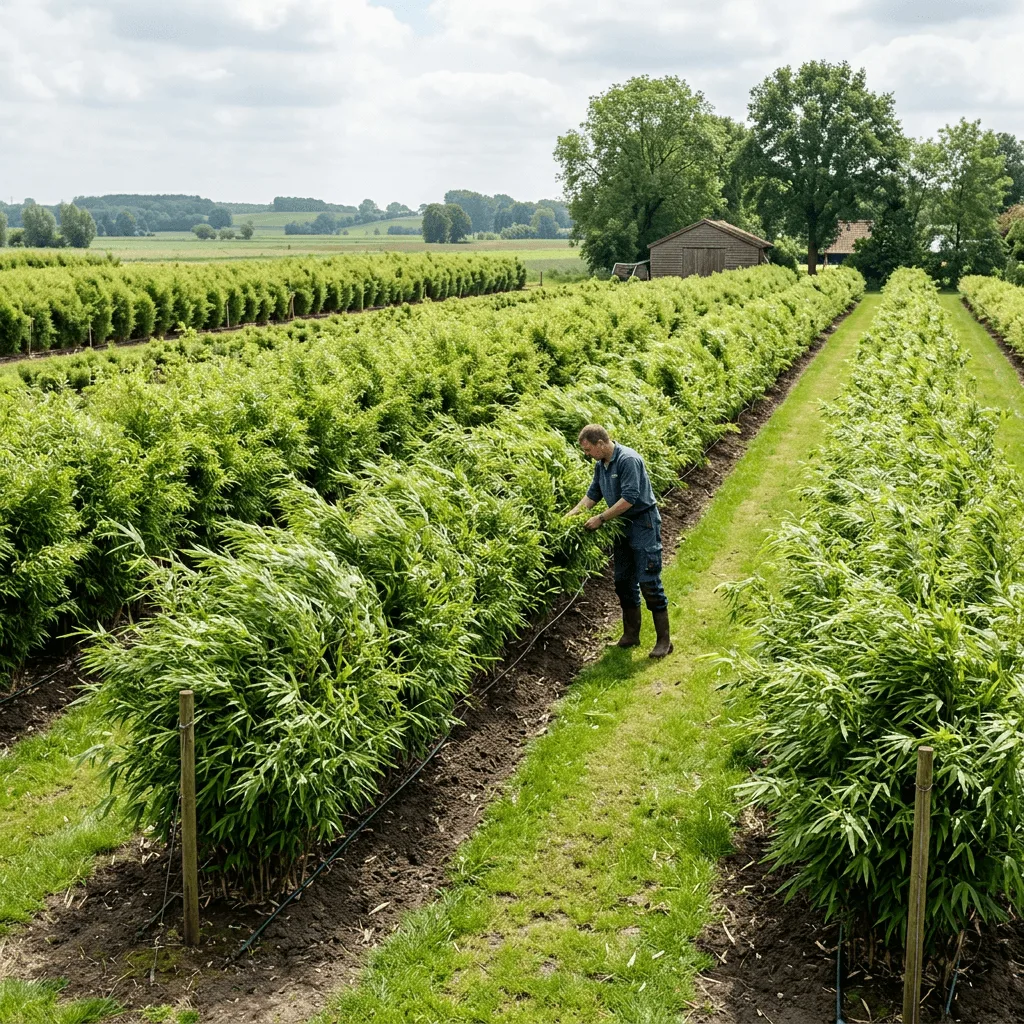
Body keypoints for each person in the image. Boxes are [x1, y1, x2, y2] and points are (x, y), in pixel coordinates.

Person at [567, 424, 672, 658]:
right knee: (623, 582)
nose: (587, 454)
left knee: (649, 583)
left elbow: (630, 498)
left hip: (642, 523)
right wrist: (568, 518)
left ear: (601, 444)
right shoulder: (600, 465)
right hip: (621, 527)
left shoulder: (628, 460)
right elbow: (592, 495)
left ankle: (664, 641)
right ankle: (631, 635)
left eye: (588, 449)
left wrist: (601, 519)